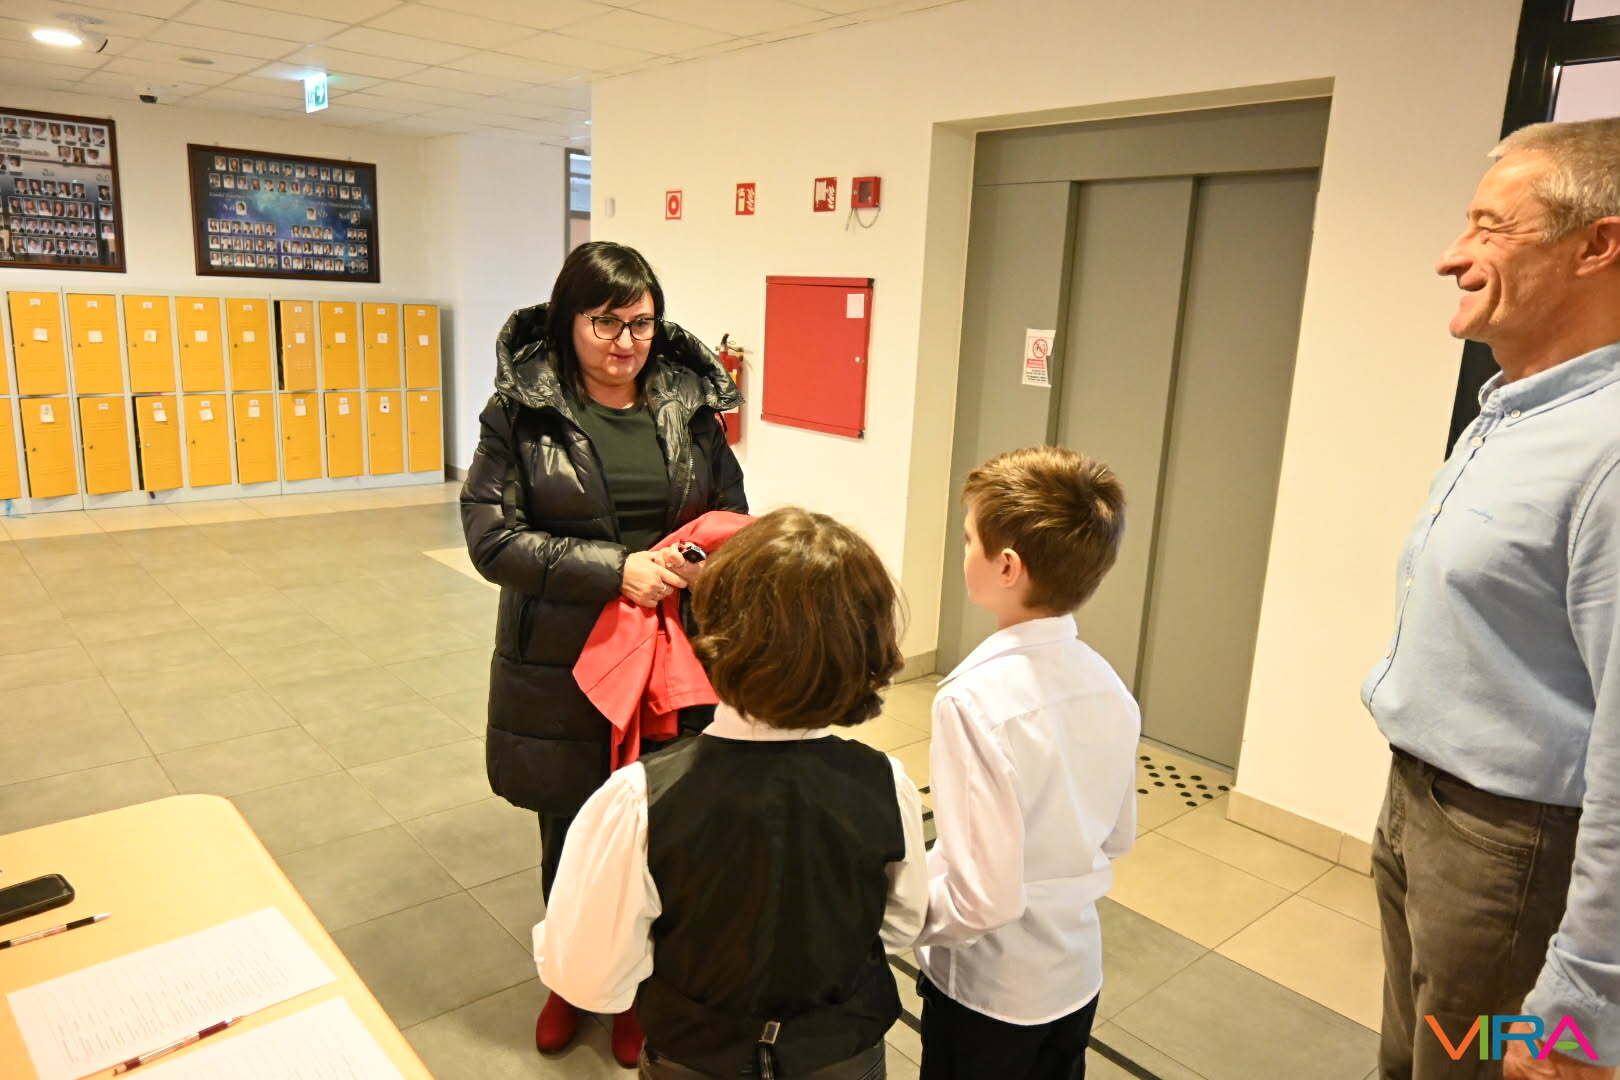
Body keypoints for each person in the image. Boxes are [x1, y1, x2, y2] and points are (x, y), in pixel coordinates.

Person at [1364, 116, 1620, 1080]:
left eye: (1489, 227)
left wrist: (1585, 999)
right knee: (1418, 1057)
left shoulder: (1609, 452)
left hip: (1512, 858)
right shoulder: (1516, 411)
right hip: (1422, 811)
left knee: (1468, 1066)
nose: (1451, 256)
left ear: (1597, 245)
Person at [462, 241, 746, 1067]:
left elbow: (732, 513)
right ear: (568, 320)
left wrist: (692, 565)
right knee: (575, 830)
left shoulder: (690, 406)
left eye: (641, 324)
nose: (626, 342)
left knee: (662, 826)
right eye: (606, 323)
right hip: (562, 660)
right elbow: (492, 539)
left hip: (670, 654)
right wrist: (615, 571)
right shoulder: (520, 412)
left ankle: (641, 986)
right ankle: (575, 980)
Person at [534, 507, 928, 1078]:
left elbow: (590, 974)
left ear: (714, 629)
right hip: (841, 1053)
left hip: (696, 1056)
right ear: (867, 647)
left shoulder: (641, 799)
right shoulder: (886, 784)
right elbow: (900, 924)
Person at [915, 446, 1138, 1080]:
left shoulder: (972, 699)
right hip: (1074, 973)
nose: (963, 551)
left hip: (990, 989)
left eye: (968, 539)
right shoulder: (1108, 685)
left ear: (1007, 565)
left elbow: (980, 900)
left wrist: (897, 916)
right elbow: (1117, 836)